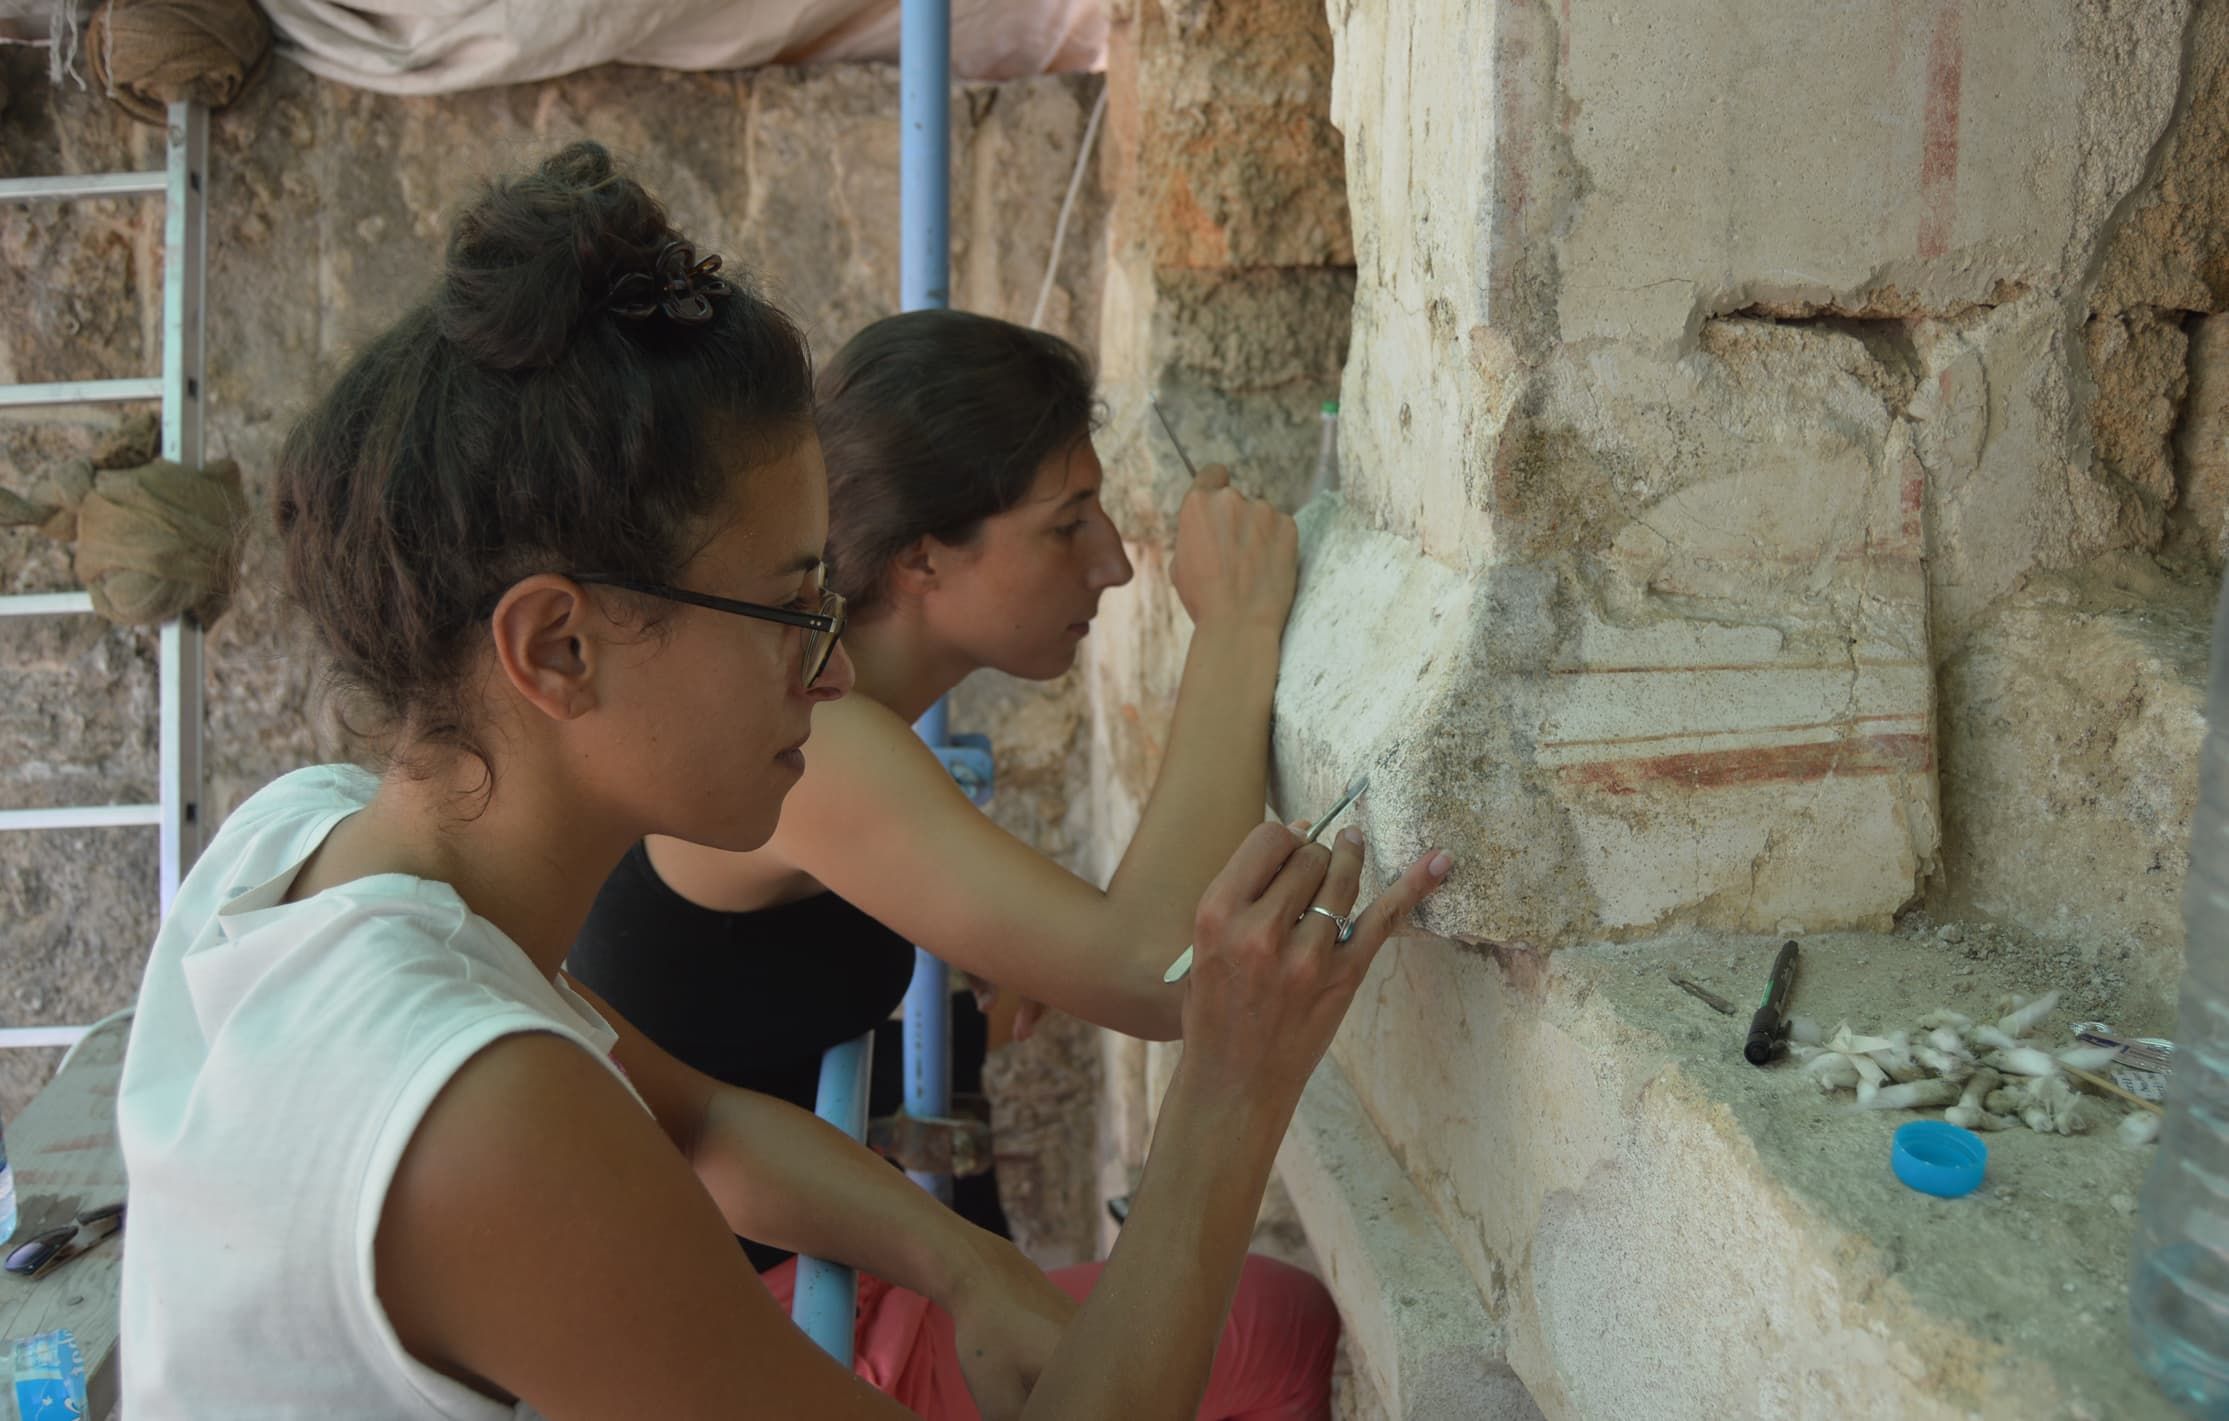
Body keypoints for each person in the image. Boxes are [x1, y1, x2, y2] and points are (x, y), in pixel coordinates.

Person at [112, 141, 1454, 1420]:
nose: (828, 675)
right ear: (557, 647)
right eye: (795, 604)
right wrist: (1230, 1087)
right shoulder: (476, 1119)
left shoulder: (307, 838)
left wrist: (967, 1262)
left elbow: (696, 1121)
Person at [568, 308, 1345, 1415]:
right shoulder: (819, 738)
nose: (1117, 564)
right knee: (1277, 1332)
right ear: (925, 556)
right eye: (1069, 522)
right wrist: (1236, 625)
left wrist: (1001, 936)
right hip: (772, 1326)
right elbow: (1161, 967)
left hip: (792, 1278)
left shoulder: (832, 705)